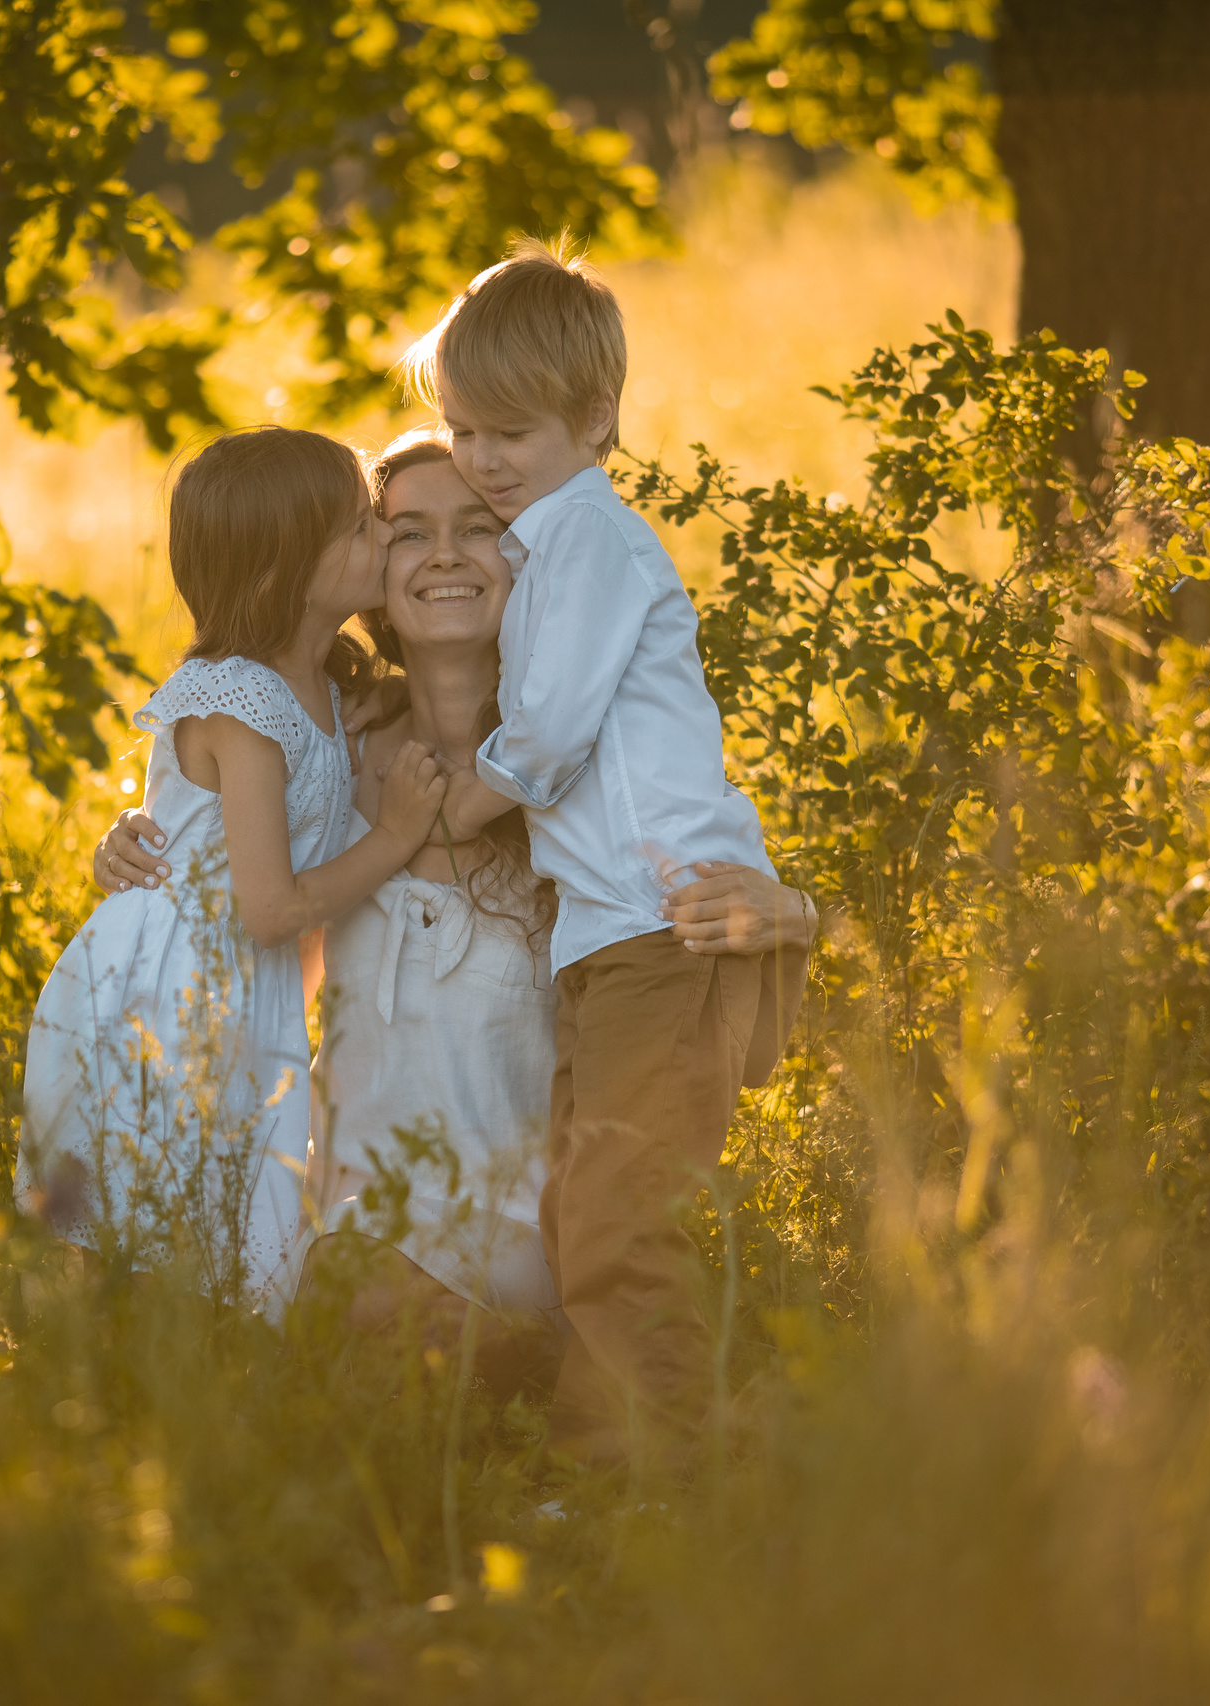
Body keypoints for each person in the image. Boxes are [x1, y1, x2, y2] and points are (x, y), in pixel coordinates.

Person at [93, 430, 818, 1402]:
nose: (442, 554)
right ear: (360, 569)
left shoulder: (603, 779)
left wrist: (790, 912)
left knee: (343, 1315)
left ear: (531, 564)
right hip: (367, 1214)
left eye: (479, 527)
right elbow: (263, 933)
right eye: (404, 532)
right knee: (289, 1296)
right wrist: (151, 845)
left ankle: (556, 1367)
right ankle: (530, 1385)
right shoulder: (325, 753)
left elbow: (736, 1050)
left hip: (541, 1226)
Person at [395, 238, 803, 1466]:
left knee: (622, 1220)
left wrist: (464, 801)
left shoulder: (585, 539)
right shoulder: (549, 539)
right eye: (463, 430)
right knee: (589, 1209)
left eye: (507, 433)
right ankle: (615, 1446)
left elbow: (556, 722)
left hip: (665, 928)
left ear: (595, 418)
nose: (481, 459)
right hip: (619, 931)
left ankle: (652, 1469)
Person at [15, 426, 452, 1315]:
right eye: (360, 528)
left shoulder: (327, 686)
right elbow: (271, 909)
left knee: (218, 1218)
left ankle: (199, 1394)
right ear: (278, 572)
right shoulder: (242, 701)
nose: (384, 538)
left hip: (235, 996)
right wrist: (397, 837)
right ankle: (99, 1402)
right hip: (167, 1001)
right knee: (147, 1235)